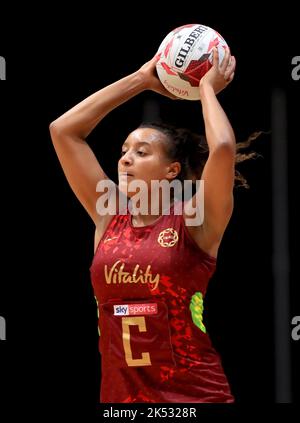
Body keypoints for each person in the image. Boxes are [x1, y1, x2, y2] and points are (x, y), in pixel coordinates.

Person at [50, 47, 244, 403]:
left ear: (171, 171)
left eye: (141, 152)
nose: (125, 158)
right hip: (120, 400)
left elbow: (223, 148)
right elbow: (63, 130)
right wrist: (141, 80)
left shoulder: (195, 218)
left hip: (196, 397)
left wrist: (206, 90)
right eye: (124, 150)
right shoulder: (108, 214)